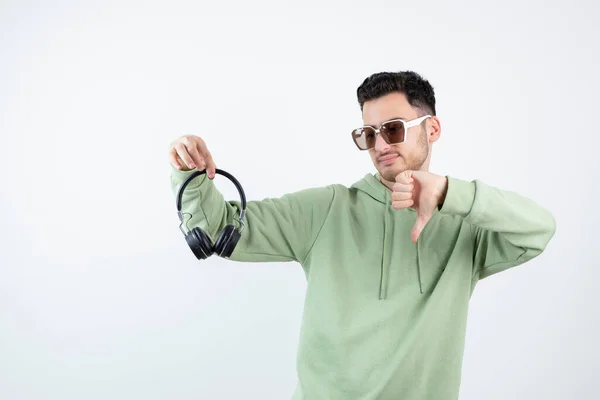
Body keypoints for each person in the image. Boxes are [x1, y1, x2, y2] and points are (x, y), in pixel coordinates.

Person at [167, 71, 556, 400]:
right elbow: (218, 229)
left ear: (432, 128)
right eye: (369, 134)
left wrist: (450, 194)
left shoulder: (467, 223)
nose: (380, 145)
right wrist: (190, 172)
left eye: (392, 129)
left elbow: (539, 230)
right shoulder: (326, 209)